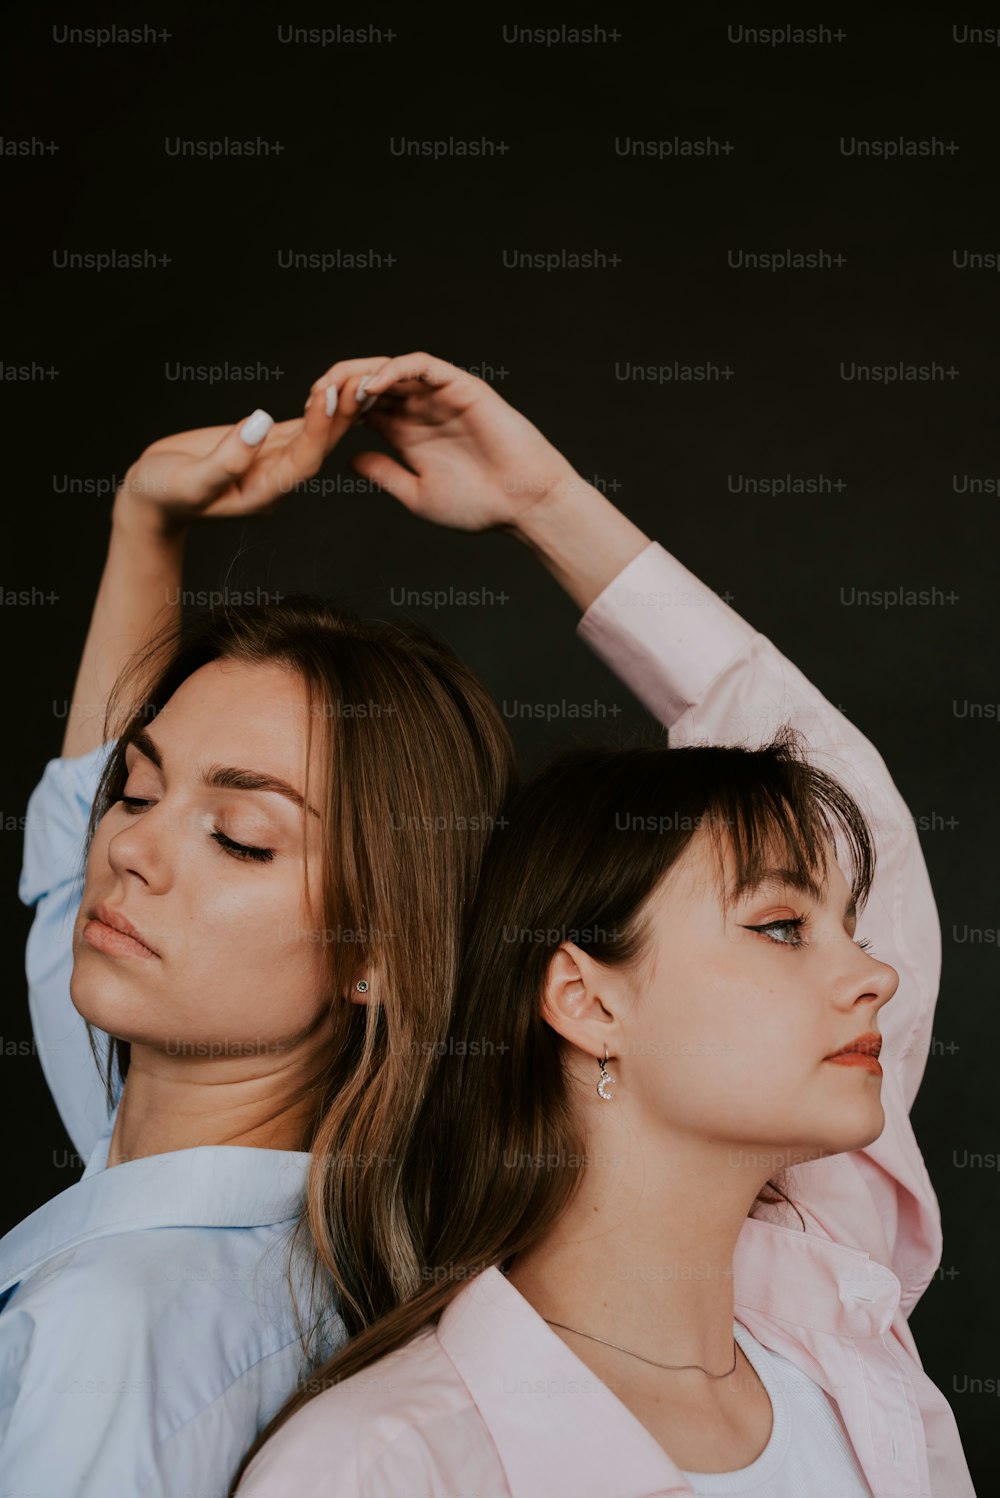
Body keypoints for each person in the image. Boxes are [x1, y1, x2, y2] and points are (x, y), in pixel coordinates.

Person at [233, 363, 976, 1495]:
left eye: (848, 928)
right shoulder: (383, 1462)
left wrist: (545, 502)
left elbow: (847, 793)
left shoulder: (837, 1343)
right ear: (584, 999)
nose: (873, 972)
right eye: (781, 925)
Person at [6, 352, 617, 1498]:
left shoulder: (113, 1333)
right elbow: (60, 876)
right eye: (136, 791)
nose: (128, 850)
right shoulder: (229, 1177)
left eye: (238, 836)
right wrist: (147, 523)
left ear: (378, 952)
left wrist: (544, 501)